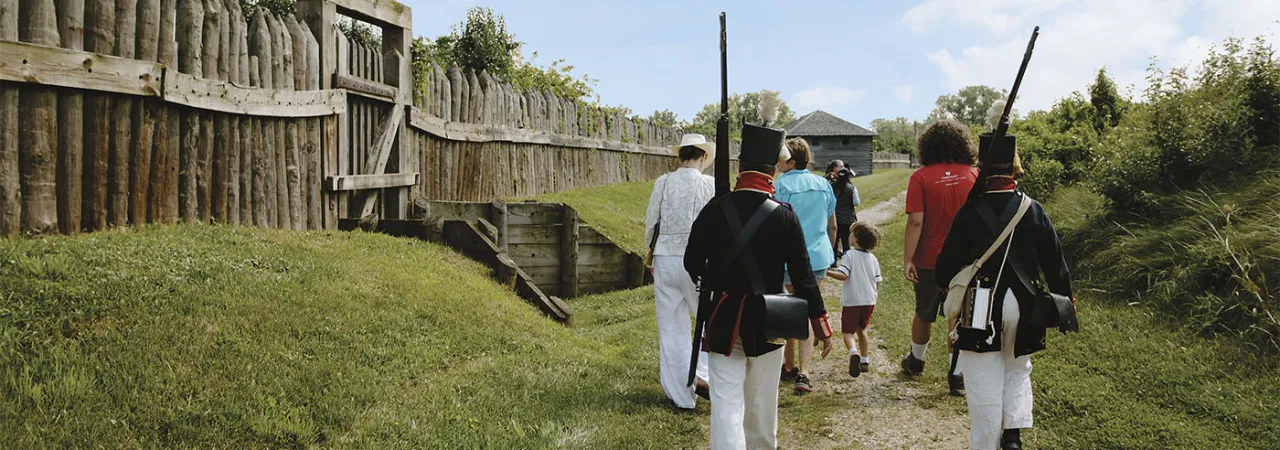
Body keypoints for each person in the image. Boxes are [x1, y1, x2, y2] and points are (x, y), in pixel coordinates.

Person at [685, 123, 833, 450]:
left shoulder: (716, 209)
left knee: (725, 405)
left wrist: (714, 282)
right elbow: (803, 275)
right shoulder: (784, 216)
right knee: (763, 407)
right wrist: (820, 321)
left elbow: (690, 262)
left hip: (724, 319)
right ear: (772, 170)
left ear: (740, 166)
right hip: (771, 321)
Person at [936, 133, 1074, 450]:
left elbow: (944, 272)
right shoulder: (1033, 209)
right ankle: (1012, 436)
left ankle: (985, 443)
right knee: (1017, 370)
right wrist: (1066, 300)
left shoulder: (969, 212)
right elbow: (1056, 264)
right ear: (1014, 169)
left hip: (981, 306)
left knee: (984, 380)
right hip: (1027, 306)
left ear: (981, 168)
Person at [900, 120, 979, 386]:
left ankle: (916, 361)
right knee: (958, 315)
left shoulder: (920, 177)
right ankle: (957, 374)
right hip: (966, 261)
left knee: (924, 312)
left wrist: (908, 258)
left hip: (929, 260)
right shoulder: (974, 174)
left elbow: (916, 222)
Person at [644, 133, 716, 411]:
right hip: (698, 261)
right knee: (708, 320)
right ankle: (703, 375)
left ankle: (681, 395)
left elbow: (652, 221)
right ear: (702, 156)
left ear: (681, 156)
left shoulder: (662, 183)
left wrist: (650, 256)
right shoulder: (709, 185)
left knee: (671, 326)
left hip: (665, 256)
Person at [774, 137, 837, 394]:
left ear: (790, 161)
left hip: (788, 257)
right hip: (818, 256)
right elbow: (832, 223)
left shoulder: (780, 185)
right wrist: (830, 250)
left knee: (790, 310)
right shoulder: (823, 184)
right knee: (810, 307)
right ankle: (805, 370)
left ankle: (788, 364)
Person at [825, 221, 882, 378]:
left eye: (851, 233)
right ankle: (865, 360)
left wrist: (827, 272)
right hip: (869, 300)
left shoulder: (849, 255)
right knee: (862, 330)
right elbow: (877, 281)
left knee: (847, 333)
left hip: (853, 301)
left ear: (855, 238)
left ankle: (853, 353)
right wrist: (874, 296)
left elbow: (844, 275)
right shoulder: (873, 259)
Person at [831, 168, 861, 261]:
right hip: (848, 218)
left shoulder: (832, 186)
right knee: (846, 241)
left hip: (835, 217)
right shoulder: (851, 188)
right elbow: (856, 202)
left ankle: (833, 261)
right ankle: (846, 261)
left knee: (835, 240)